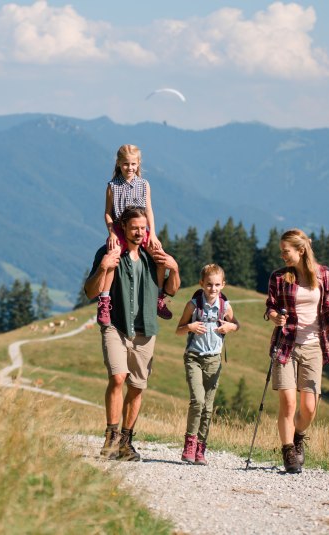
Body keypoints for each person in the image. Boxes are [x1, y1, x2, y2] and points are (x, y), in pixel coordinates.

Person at [84, 206, 180, 461]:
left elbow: (171, 291)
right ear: (123, 227)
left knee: (137, 386)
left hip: (145, 329)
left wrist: (175, 268)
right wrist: (103, 267)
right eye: (134, 227)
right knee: (118, 377)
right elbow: (91, 292)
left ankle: (126, 441)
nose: (139, 232)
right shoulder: (109, 252)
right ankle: (111, 437)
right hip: (115, 324)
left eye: (143, 228)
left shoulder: (153, 254)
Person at [265, 229, 329, 473]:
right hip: (286, 344)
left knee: (309, 407)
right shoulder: (279, 278)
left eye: (286, 251)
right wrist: (275, 316)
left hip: (314, 346)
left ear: (301, 250)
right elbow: (270, 307)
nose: (282, 256)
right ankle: (288, 451)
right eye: (281, 252)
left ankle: (298, 436)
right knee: (288, 403)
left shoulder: (324, 275)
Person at [97, 144, 172, 327]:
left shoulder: (144, 185)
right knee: (112, 258)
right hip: (120, 230)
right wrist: (112, 232)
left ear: (138, 164)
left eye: (133, 164)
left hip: (141, 229)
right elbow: (108, 213)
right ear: (118, 164)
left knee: (160, 257)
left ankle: (158, 296)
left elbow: (149, 211)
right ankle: (104, 302)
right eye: (125, 164)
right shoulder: (112, 186)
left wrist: (152, 233)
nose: (129, 168)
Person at [175, 264, 240, 465]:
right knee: (198, 401)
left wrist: (230, 326)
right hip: (194, 357)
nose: (213, 288)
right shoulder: (193, 305)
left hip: (214, 360)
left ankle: (201, 448)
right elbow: (178, 329)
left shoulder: (225, 306)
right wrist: (190, 327)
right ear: (201, 283)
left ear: (223, 285)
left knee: (208, 407)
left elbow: (236, 324)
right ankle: (190, 443)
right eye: (209, 284)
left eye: (217, 285)